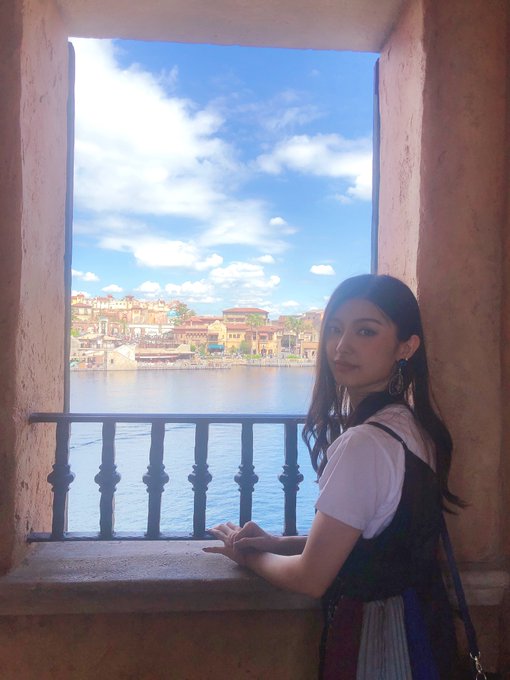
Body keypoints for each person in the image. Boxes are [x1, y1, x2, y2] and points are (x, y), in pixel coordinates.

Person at [204, 274, 461, 679]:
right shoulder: (411, 427)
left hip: (378, 642)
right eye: (335, 330)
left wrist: (248, 556)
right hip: (426, 630)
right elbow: (379, 539)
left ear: (406, 347)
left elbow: (311, 578)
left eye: (365, 331)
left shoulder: (364, 443)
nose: (342, 346)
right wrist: (280, 543)